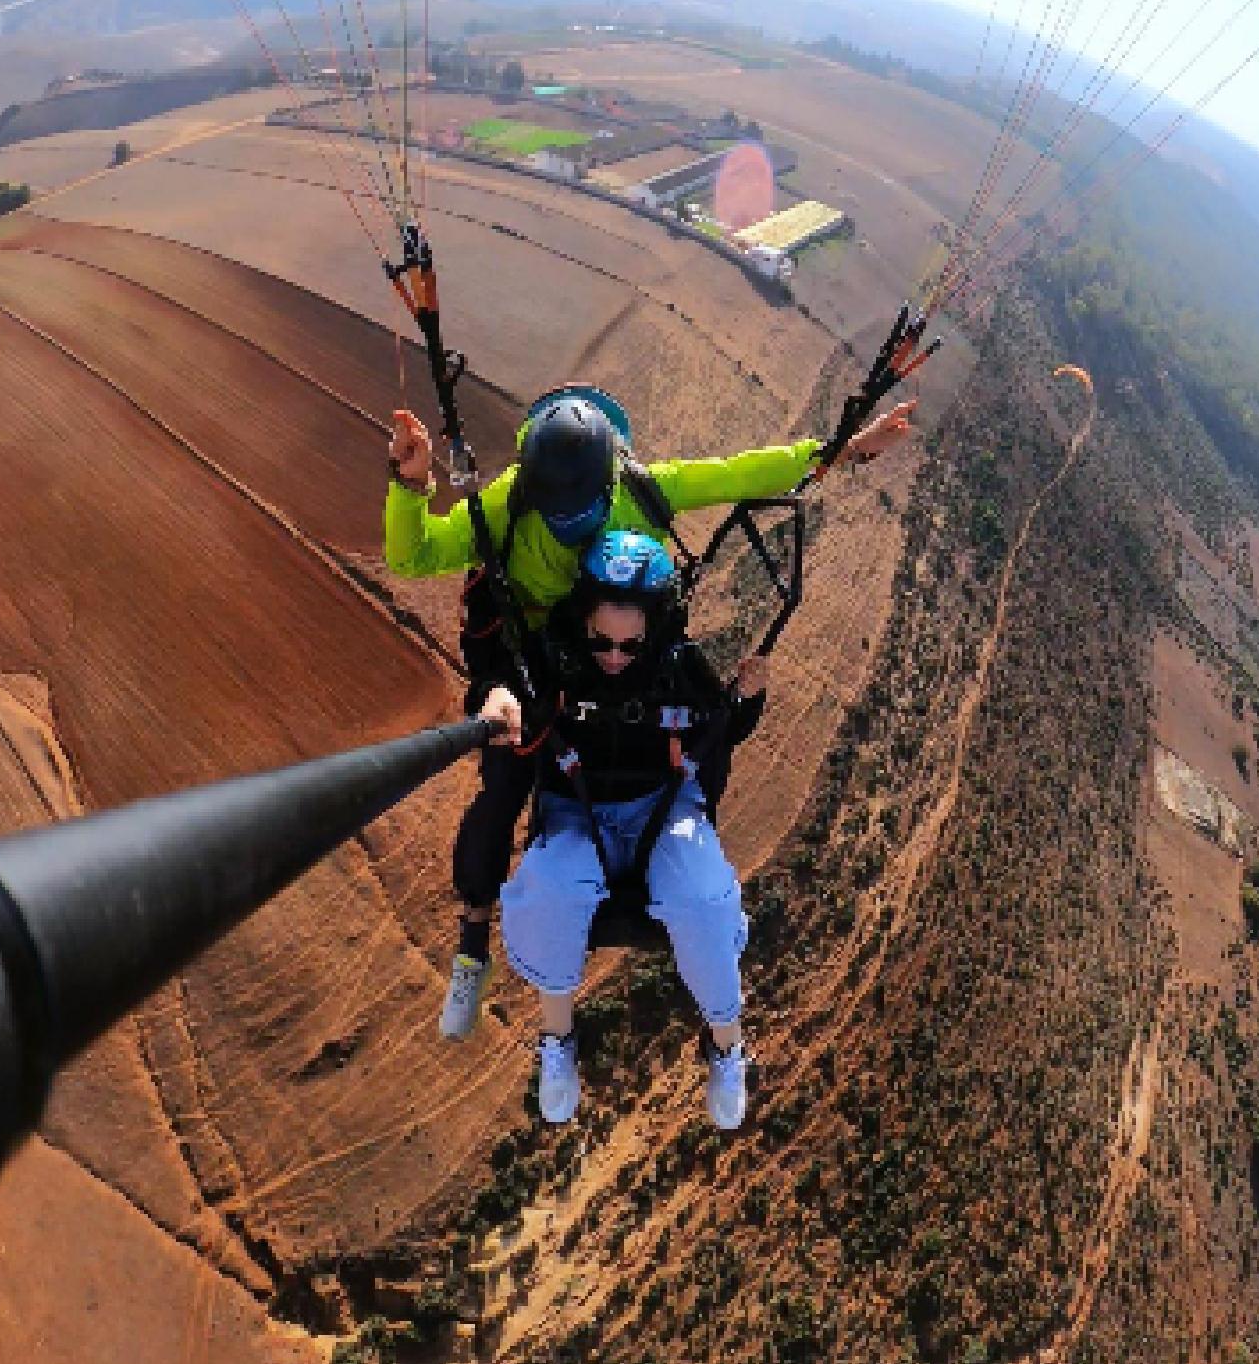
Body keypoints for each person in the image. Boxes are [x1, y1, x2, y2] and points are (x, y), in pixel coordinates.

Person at [386, 379, 916, 1040]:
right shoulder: (509, 502)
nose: (572, 530)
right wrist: (409, 487)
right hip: (540, 663)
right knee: (504, 782)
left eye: (582, 514)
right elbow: (413, 555)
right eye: (560, 516)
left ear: (608, 482)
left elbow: (746, 472)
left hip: (628, 647)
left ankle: (669, 871)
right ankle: (473, 942)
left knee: (678, 726)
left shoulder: (639, 489)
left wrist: (853, 450)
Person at [482, 531, 763, 1130]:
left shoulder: (680, 669)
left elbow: (720, 729)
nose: (614, 657)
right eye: (601, 642)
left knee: (705, 899)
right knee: (553, 887)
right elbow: (505, 686)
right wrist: (498, 701)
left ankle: (727, 1043)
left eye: (631, 645)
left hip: (662, 811)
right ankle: (557, 1040)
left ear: (655, 633)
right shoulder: (554, 665)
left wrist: (746, 699)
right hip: (576, 813)